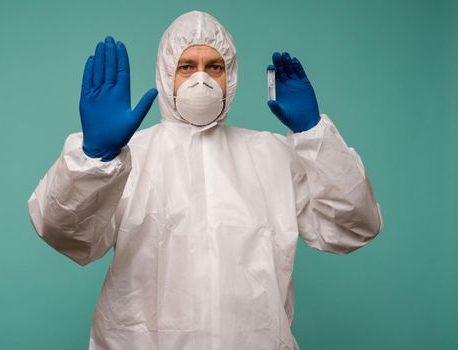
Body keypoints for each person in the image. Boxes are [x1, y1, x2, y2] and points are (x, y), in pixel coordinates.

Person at [28, 10, 383, 350]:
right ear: (168, 74)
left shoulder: (272, 155)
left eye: (215, 67)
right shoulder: (128, 156)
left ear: (230, 77)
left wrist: (312, 134)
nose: (202, 79)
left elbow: (354, 227)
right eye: (187, 66)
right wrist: (94, 159)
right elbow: (64, 233)